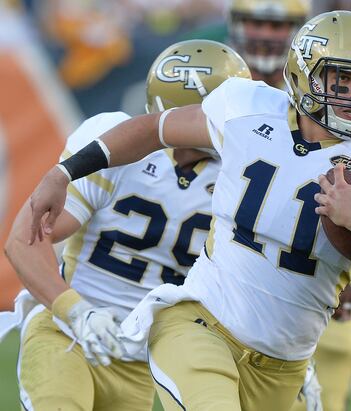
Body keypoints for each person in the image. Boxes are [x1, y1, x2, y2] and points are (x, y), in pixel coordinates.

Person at [26, 10, 351, 411]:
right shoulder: (246, 108)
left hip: (284, 364)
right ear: (303, 73)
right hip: (199, 324)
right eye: (342, 80)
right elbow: (153, 129)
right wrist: (65, 172)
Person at [3, 39, 251, 410]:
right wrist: (77, 311)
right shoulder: (116, 146)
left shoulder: (244, 174)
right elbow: (25, 240)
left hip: (137, 357)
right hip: (67, 332)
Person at [192, 2, 351, 409]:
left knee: (328, 385)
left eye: (278, 24)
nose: (266, 34)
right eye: (254, 21)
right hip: (214, 257)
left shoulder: (333, 98)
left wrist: (342, 274)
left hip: (304, 270)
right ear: (235, 24)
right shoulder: (218, 80)